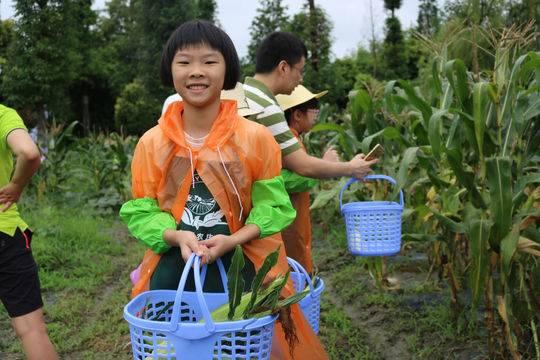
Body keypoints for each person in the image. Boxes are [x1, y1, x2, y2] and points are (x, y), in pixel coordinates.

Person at [119, 20, 328, 359]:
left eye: (209, 61)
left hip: (243, 274)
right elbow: (142, 210)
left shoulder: (255, 139)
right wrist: (176, 237)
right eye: (184, 62)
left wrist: (233, 239)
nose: (196, 72)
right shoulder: (152, 144)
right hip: (175, 274)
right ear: (169, 70)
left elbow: (271, 207)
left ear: (228, 68)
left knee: (241, 349)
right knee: (177, 347)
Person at [242, 31, 377, 180]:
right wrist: (351, 168)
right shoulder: (266, 108)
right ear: (283, 68)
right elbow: (303, 165)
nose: (301, 79)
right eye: (300, 71)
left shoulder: (239, 95)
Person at [0, 104, 58, 360]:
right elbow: (29, 153)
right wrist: (16, 185)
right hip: (5, 231)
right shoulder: (2, 114)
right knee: (31, 330)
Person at [276, 85, 338, 273]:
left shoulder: (292, 138)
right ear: (297, 114)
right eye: (314, 110)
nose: (316, 115)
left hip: (294, 218)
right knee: (294, 271)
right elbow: (279, 180)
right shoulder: (288, 142)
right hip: (288, 222)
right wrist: (320, 168)